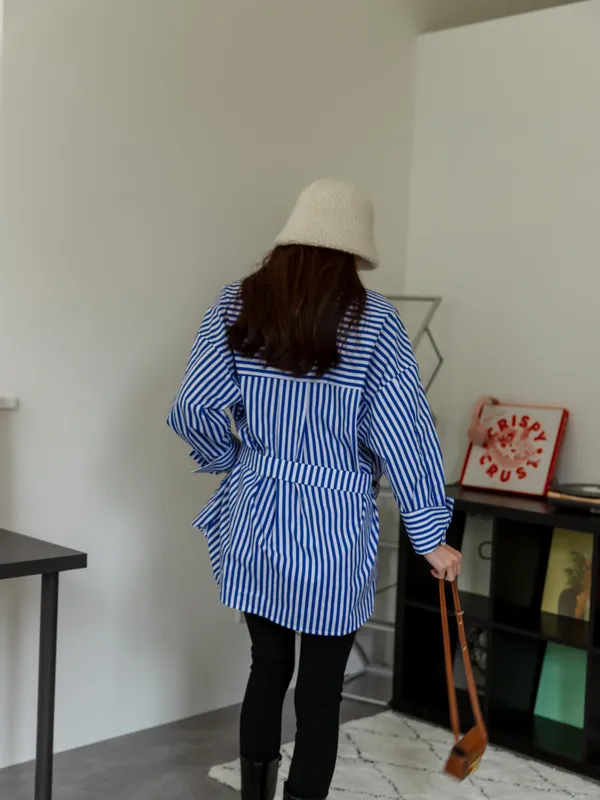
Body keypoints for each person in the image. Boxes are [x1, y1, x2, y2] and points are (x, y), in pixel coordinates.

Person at [167, 179, 460, 800]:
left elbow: (193, 407)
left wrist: (232, 460)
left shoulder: (237, 304)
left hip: (255, 510)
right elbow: (405, 432)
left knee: (267, 666)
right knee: (321, 691)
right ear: (355, 252)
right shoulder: (375, 321)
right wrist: (430, 534)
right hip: (334, 524)